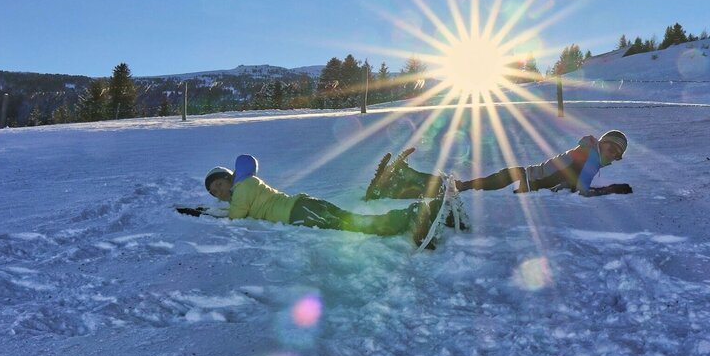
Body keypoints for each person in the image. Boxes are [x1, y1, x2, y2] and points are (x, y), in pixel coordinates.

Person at [203, 155, 443, 247]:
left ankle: (409, 216)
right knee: (351, 220)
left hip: (299, 213)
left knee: (353, 225)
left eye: (219, 185)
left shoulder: (243, 187)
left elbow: (236, 217)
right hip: (304, 205)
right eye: (214, 193)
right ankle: (414, 214)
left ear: (229, 178)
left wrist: (206, 212)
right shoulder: (247, 185)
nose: (219, 193)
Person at [365, 130, 632, 200]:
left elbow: (571, 181)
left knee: (459, 189)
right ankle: (398, 180)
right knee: (459, 190)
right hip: (521, 179)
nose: (612, 154)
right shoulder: (589, 157)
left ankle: (399, 179)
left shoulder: (587, 154)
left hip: (521, 176)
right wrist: (611, 189)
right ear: (602, 144)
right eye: (611, 147)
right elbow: (583, 188)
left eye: (617, 154)